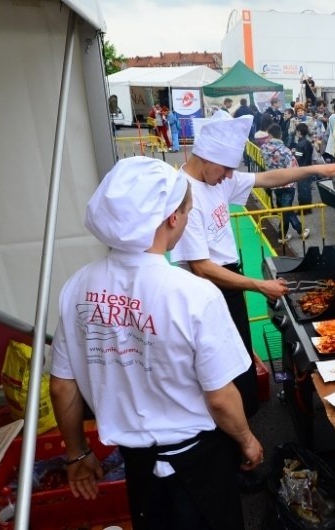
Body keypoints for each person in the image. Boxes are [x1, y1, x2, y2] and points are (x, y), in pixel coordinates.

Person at [50, 157, 263, 530]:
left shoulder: (77, 287)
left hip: (137, 462)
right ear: (172, 219)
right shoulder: (195, 294)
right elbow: (219, 396)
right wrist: (246, 439)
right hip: (197, 460)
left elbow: (61, 385)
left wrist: (75, 452)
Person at [170, 112, 335, 422]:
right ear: (207, 159)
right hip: (208, 290)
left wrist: (316, 169)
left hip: (229, 280)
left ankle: (246, 416)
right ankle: (234, 434)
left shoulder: (215, 179)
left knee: (240, 355)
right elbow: (201, 267)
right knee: (220, 367)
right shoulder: (185, 194)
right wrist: (259, 285)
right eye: (226, 168)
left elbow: (267, 178)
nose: (229, 176)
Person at [261, 124, 310, 244]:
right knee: (286, 209)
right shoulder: (285, 151)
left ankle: (295, 231)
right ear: (281, 135)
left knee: (285, 209)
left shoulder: (264, 148)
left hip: (274, 182)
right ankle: (284, 234)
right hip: (287, 184)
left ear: (270, 135)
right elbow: (294, 168)